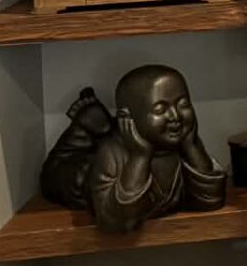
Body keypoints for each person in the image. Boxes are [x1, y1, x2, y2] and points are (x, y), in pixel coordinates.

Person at [84, 65, 228, 232]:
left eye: (183, 104)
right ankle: (85, 121)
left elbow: (210, 201)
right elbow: (117, 222)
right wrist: (140, 157)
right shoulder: (112, 153)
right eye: (160, 109)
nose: (175, 116)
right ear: (127, 118)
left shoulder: (181, 146)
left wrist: (192, 145)